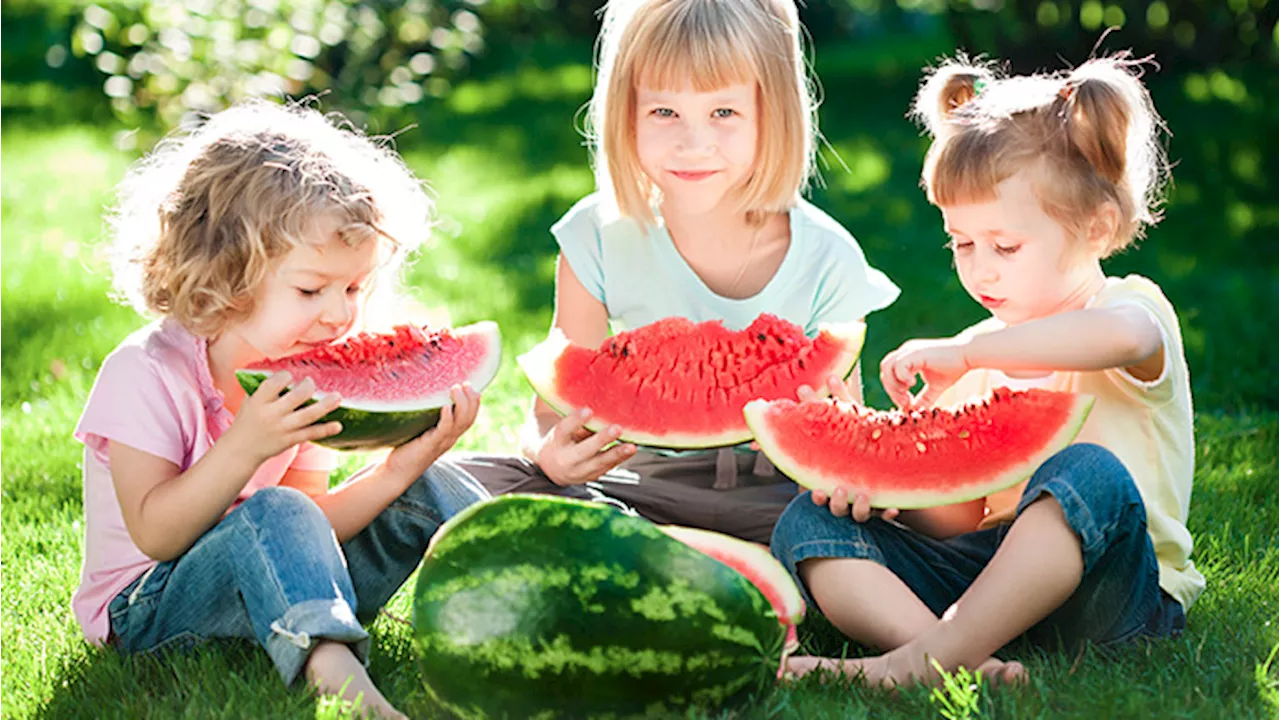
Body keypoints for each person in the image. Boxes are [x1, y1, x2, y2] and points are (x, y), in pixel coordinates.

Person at [770, 53, 1203, 687]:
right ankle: (956, 657)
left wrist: (973, 354)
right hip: (986, 587)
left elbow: (1121, 338)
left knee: (1089, 473)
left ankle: (918, 662)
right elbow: (960, 515)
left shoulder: (1130, 309)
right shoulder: (975, 350)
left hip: (1114, 594)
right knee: (805, 524)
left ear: (1097, 227)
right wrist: (885, 494)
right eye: (961, 243)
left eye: (1004, 246)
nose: (981, 268)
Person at [74, 100, 489, 718]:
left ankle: (533, 606)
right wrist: (247, 444)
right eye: (310, 289)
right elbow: (156, 533)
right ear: (225, 271)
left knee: (434, 483)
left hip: (281, 585)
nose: (340, 314)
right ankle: (348, 689)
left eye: (353, 288)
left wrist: (402, 469)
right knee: (276, 506)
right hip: (150, 609)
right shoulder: (144, 373)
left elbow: (312, 526)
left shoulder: (307, 368)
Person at [458, 0, 899, 544]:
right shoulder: (594, 236)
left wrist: (834, 458)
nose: (694, 144)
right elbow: (552, 414)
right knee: (467, 483)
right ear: (627, 115)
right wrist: (548, 453)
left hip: (784, 498)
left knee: (864, 525)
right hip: (638, 485)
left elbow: (841, 419)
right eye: (664, 113)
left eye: (724, 113)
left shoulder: (827, 256)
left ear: (773, 112)